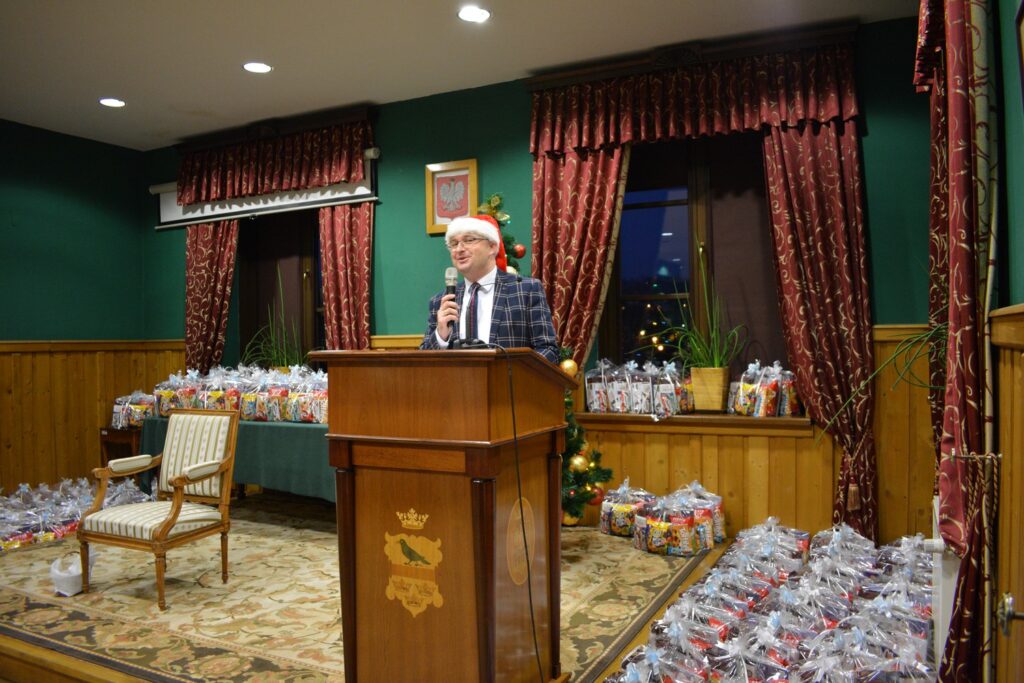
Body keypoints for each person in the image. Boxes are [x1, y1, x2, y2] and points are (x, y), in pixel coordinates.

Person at [420, 214, 559, 364]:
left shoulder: (526, 290)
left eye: (469, 240)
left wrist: (514, 374)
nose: (459, 249)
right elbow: (423, 362)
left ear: (492, 247)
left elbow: (548, 350)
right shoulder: (441, 301)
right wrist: (441, 336)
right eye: (453, 243)